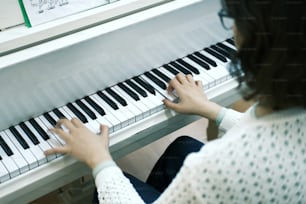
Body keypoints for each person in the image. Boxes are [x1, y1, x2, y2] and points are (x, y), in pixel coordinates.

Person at [45, 0, 306, 203]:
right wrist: (212, 110)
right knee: (180, 148)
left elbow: (236, 161)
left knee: (108, 186)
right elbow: (275, 135)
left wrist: (98, 159)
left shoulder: (221, 164)